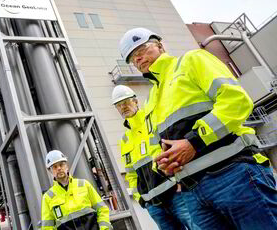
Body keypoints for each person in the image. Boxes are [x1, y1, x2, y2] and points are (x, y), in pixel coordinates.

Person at [120, 27, 277, 229]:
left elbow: (237, 101)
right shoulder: (151, 100)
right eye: (133, 58)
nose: (138, 59)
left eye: (141, 51)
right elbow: (153, 145)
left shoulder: (191, 61)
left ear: (160, 45)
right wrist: (161, 164)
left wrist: (195, 141)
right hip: (191, 192)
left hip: (233, 174)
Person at [112, 85, 196, 230]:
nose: (123, 107)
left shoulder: (153, 121)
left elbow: (174, 150)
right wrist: (141, 198)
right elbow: (131, 174)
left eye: (126, 102)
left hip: (177, 194)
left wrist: (181, 182)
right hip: (153, 205)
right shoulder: (125, 140)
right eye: (119, 105)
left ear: (136, 102)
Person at [40, 150, 112, 229]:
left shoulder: (84, 185)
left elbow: (102, 209)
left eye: (61, 165)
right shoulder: (48, 197)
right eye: (55, 167)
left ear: (67, 166)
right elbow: (47, 227)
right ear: (50, 171)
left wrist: (104, 228)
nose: (59, 168)